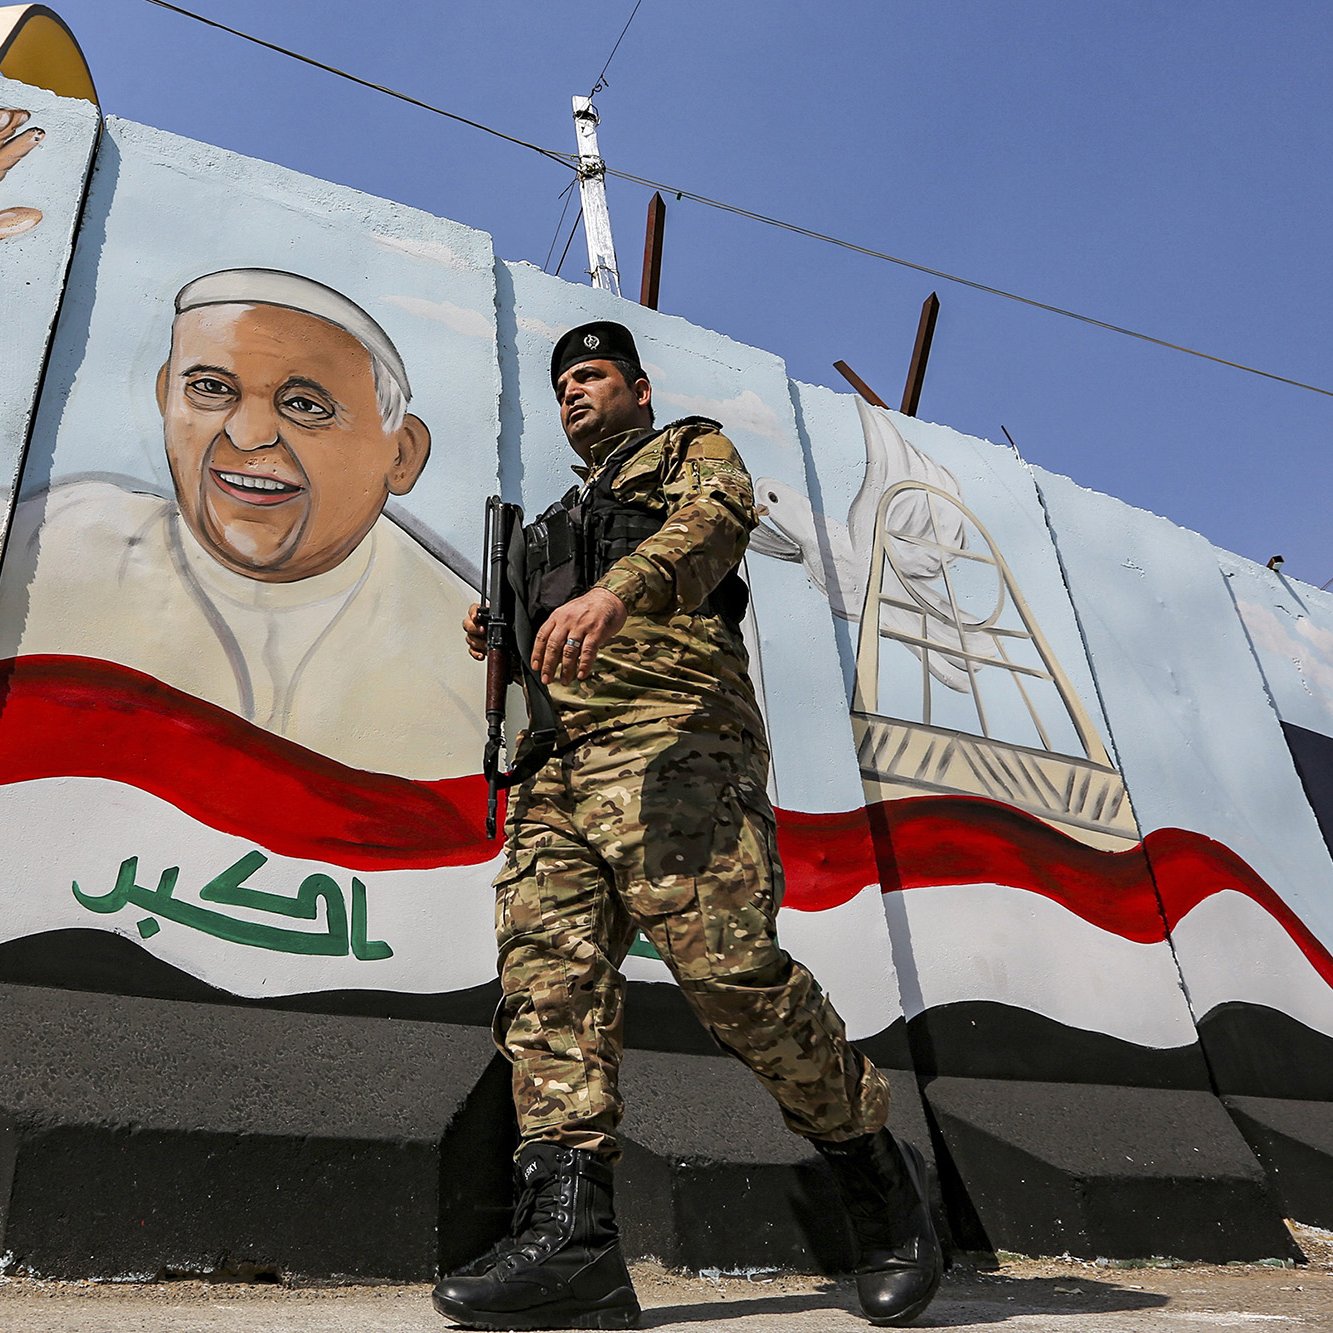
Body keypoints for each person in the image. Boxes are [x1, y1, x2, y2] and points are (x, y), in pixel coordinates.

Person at [437, 321, 940, 1329]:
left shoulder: (687, 450)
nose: (574, 391)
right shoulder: (543, 525)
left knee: (731, 975)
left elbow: (716, 520)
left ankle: (880, 1191)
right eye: (564, 382)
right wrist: (498, 632)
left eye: (591, 375)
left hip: (671, 750)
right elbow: (531, 654)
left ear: (638, 386)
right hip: (552, 770)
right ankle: (572, 1243)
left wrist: (615, 591)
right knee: (548, 988)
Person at [0, 268, 484, 779]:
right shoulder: (51, 544)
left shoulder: (463, 650)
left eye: (305, 405)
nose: (248, 436)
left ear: (401, 454)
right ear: (167, 396)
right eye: (210, 388)